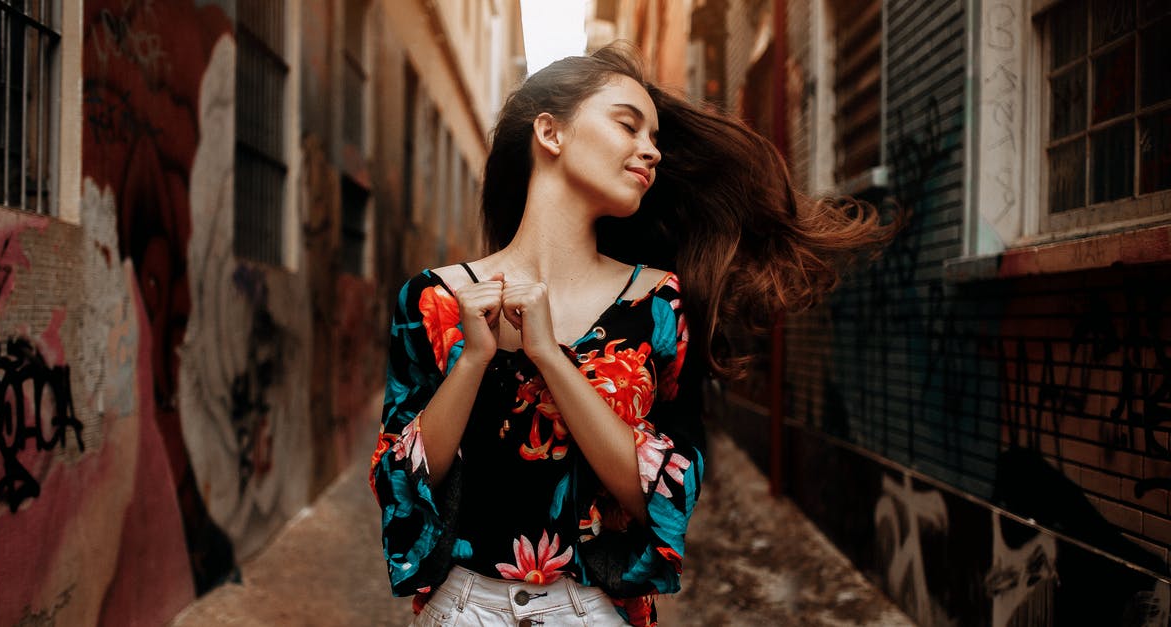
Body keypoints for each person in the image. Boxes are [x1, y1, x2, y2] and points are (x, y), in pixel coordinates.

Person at [370, 44, 896, 626]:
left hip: (594, 611)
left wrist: (548, 355)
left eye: (655, 136)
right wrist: (473, 361)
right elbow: (402, 484)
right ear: (551, 133)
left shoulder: (657, 302)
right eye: (628, 125)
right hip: (462, 608)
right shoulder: (434, 299)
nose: (651, 150)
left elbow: (661, 497)